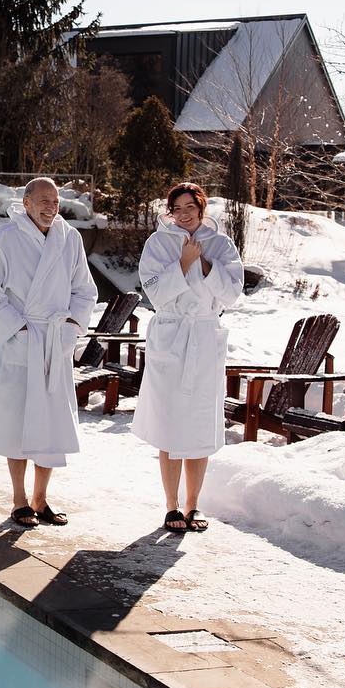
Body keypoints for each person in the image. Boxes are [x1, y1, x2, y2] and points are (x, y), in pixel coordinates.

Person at [0, 177, 99, 527]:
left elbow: (85, 291)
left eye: (55, 201)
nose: (51, 206)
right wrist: (18, 330)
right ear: (26, 202)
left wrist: (71, 328)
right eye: (43, 200)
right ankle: (19, 499)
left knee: (51, 422)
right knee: (17, 420)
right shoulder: (6, 237)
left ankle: (40, 499)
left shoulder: (69, 238)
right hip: (23, 338)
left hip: (55, 340)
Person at [130, 182, 244, 533]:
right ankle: (171, 506)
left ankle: (194, 505)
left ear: (201, 207)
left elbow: (233, 292)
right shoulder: (158, 242)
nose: (183, 214)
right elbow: (154, 293)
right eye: (177, 209)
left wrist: (205, 265)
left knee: (199, 423)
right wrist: (183, 262)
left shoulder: (221, 244)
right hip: (172, 337)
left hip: (204, 338)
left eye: (189, 207)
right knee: (169, 422)